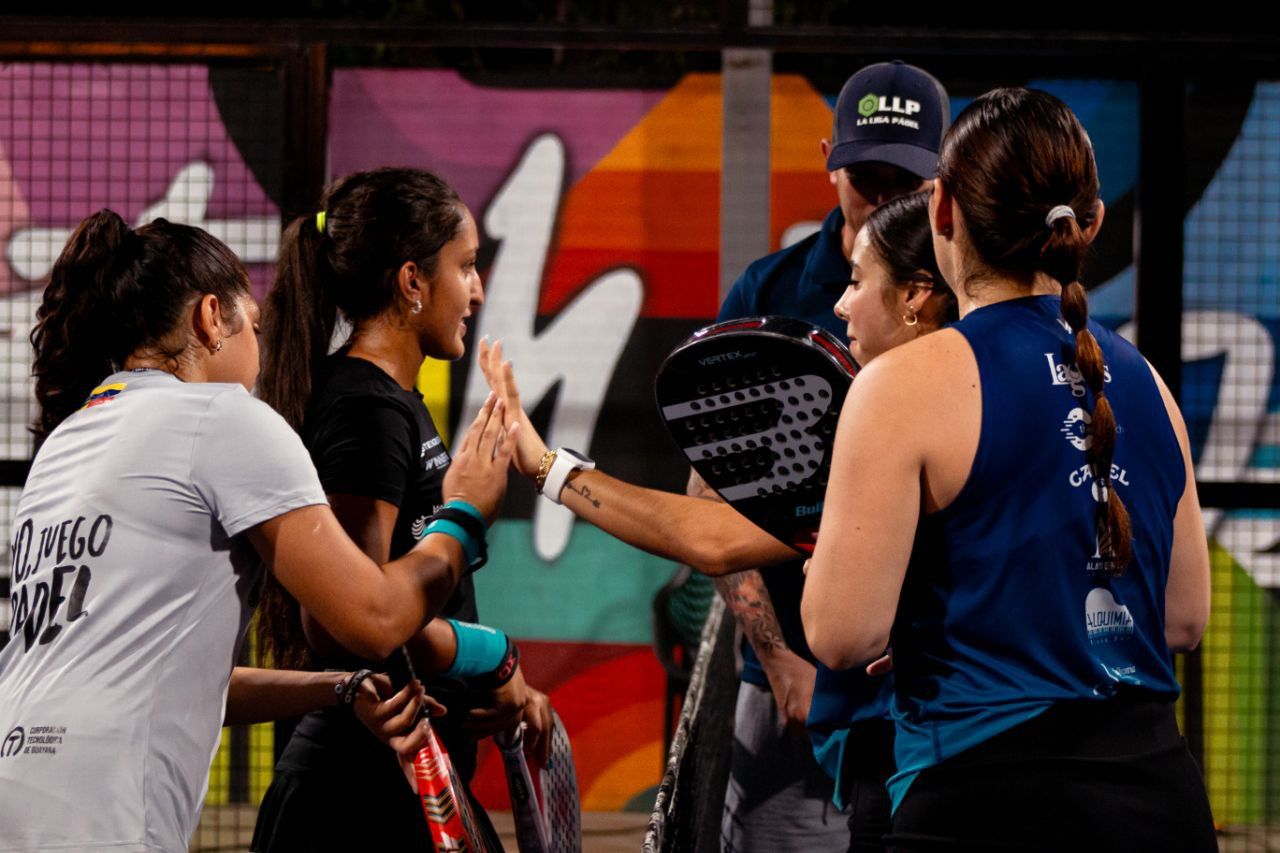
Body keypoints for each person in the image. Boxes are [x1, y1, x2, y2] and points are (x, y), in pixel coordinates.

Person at [0, 211, 515, 852]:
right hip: (100, 818)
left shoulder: (70, 437)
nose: (263, 353)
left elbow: (169, 671)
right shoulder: (220, 414)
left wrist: (339, 688)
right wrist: (464, 514)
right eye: (258, 328)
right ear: (211, 318)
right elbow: (373, 618)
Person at [801, 88, 1217, 850]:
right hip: (1160, 801)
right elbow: (1184, 617)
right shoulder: (1149, 383)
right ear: (1089, 222)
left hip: (981, 801)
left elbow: (840, 633)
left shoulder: (901, 386)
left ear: (943, 209)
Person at [251, 167, 551, 852]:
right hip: (352, 797)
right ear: (412, 281)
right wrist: (491, 658)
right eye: (466, 267)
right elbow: (346, 619)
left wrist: (475, 681)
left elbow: (400, 604)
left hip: (382, 778)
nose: (477, 289)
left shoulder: (386, 399)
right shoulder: (368, 407)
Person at [709, 60, 948, 853]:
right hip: (792, 688)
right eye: (866, 174)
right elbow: (713, 502)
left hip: (928, 690)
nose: (882, 196)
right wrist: (778, 657)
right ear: (829, 159)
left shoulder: (969, 310)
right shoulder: (766, 293)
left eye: (905, 178)